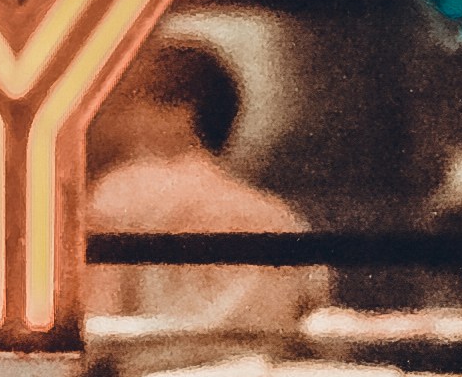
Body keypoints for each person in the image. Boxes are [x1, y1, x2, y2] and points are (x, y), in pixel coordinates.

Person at [83, 38, 328, 345]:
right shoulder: (281, 218)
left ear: (180, 112)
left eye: (132, 105)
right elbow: (313, 324)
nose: (123, 123)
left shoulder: (121, 192)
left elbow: (97, 327)